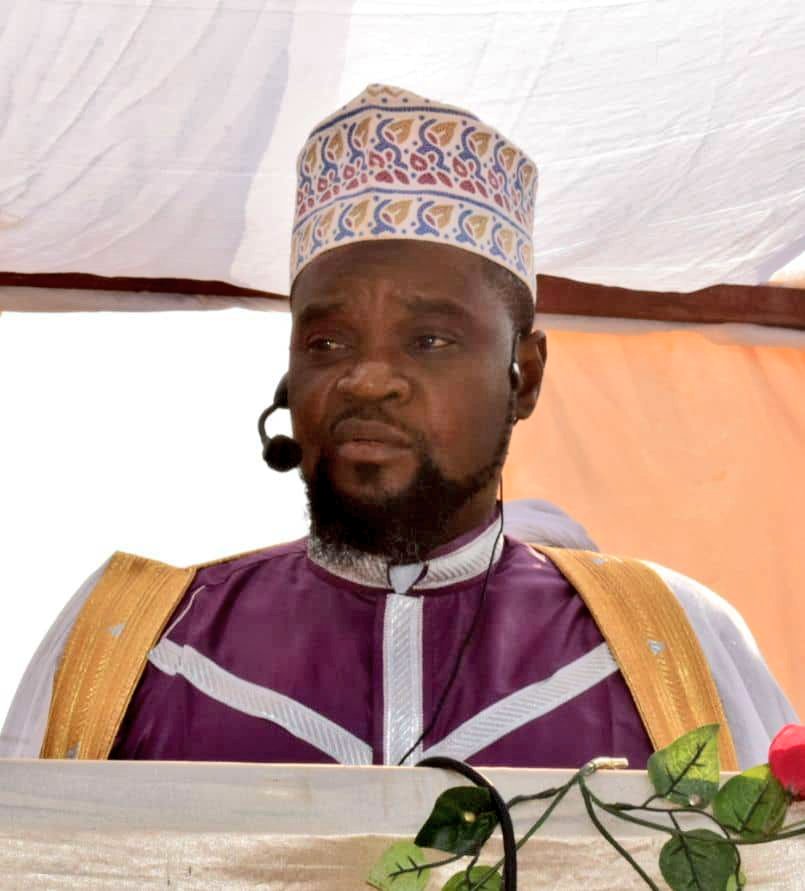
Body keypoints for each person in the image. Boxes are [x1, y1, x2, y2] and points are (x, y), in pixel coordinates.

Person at [1, 84, 795, 771]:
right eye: (327, 342)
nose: (366, 378)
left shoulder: (674, 644)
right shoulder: (135, 643)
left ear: (524, 376)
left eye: (430, 340)